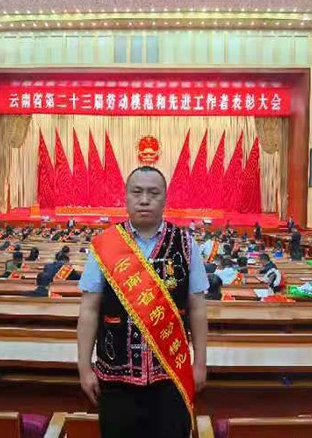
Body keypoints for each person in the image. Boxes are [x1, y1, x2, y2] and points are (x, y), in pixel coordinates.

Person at [77, 166, 208, 438]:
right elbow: (89, 309)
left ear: (165, 198)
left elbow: (197, 307)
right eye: (137, 192)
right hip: (115, 376)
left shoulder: (186, 244)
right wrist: (83, 366)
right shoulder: (105, 245)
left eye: (153, 193)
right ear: (125, 196)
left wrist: (200, 363)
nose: (145, 200)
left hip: (171, 374)